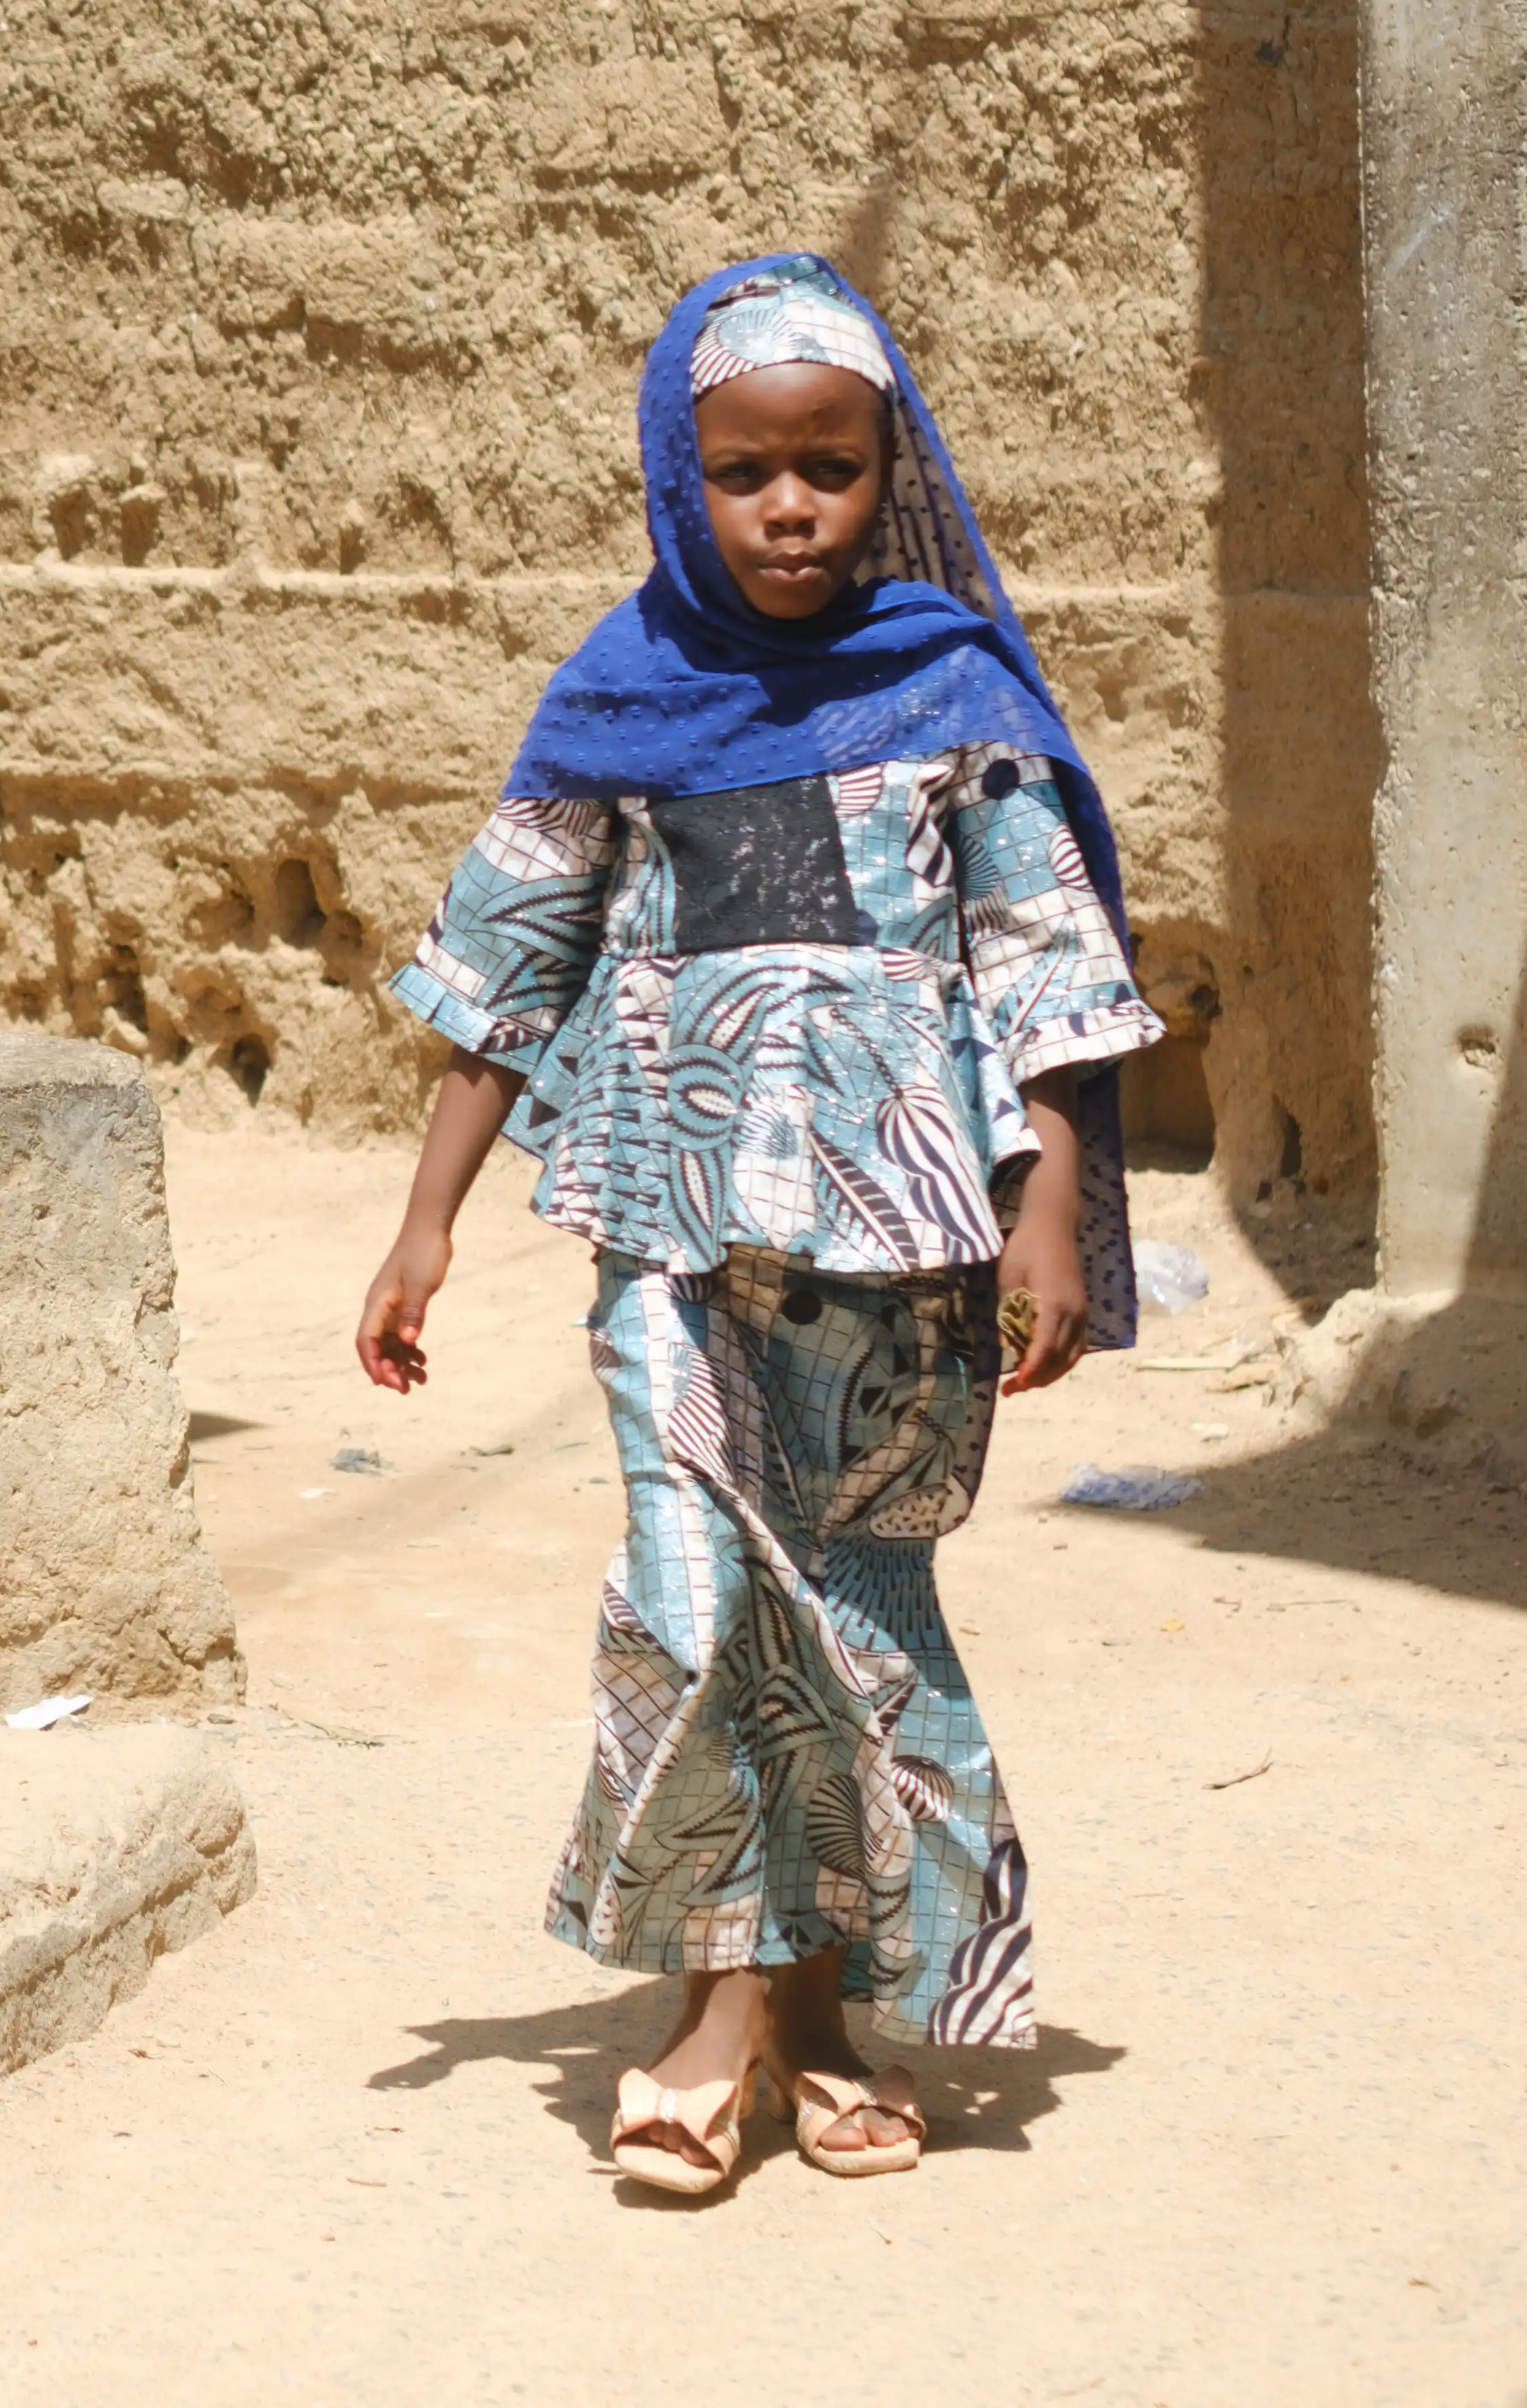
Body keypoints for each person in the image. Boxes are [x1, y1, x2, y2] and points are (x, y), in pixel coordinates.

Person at [355, 254, 1159, 2198]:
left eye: (830, 467)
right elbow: (509, 970)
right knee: (697, 1598)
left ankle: (822, 2013)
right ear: (677, 473)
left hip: (915, 1247)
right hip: (670, 1234)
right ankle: (718, 2010)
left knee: (856, 1610)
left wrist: (1049, 1215)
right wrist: (423, 1227)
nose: (790, 508)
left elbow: (1044, 965)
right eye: (744, 473)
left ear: (892, 470)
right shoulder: (617, 701)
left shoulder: (951, 695)